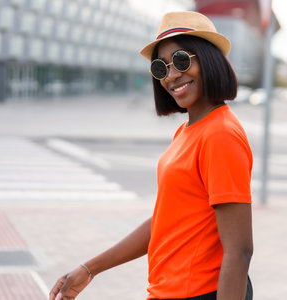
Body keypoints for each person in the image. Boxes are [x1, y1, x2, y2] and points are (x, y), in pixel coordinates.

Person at [49, 11, 254, 300]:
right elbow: (166, 220)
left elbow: (239, 250)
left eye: (182, 60)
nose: (171, 75)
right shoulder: (188, 132)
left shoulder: (220, 134)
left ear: (209, 60)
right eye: (161, 68)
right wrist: (90, 268)